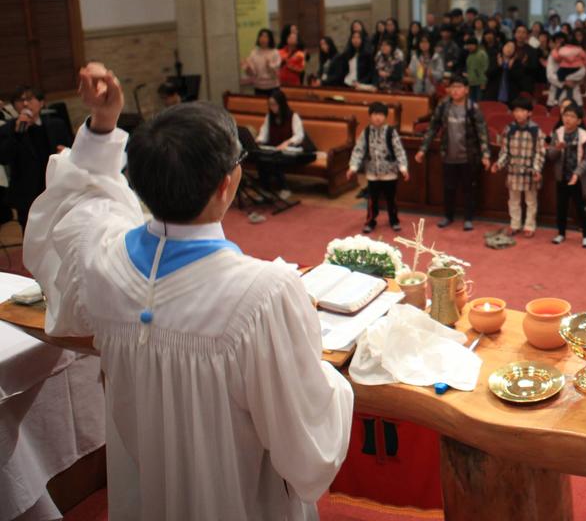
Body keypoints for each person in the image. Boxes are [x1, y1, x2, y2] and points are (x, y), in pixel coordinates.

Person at [24, 63, 352, 519]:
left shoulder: (101, 262)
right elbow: (308, 452)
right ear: (226, 184)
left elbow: (77, 200)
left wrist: (102, 126)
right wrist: (328, 374)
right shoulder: (263, 294)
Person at [415, 75, 490, 230]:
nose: (455, 91)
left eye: (459, 87)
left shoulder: (472, 108)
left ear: (466, 90)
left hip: (468, 157)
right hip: (448, 155)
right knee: (448, 188)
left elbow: (482, 132)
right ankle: (448, 216)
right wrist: (423, 149)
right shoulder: (443, 106)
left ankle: (468, 218)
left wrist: (486, 154)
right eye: (452, 87)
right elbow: (433, 128)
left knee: (469, 189)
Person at [0, 86, 73, 228]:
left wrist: (66, 152)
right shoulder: (7, 129)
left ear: (41, 103)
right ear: (14, 106)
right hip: (27, 195)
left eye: (29, 99)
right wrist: (17, 134)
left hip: (57, 189)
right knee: (32, 235)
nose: (25, 104)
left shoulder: (56, 124)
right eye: (20, 100)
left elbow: (73, 151)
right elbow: (3, 158)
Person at [347, 102, 410, 233]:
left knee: (391, 199)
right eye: (375, 114)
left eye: (381, 114)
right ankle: (370, 221)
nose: (378, 117)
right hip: (372, 173)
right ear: (370, 116)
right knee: (372, 200)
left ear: (385, 117)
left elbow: (399, 150)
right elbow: (358, 150)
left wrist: (403, 167)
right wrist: (353, 167)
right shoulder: (366, 132)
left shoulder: (391, 132)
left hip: (389, 173)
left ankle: (394, 220)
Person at [491, 96, 546, 238]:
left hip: (529, 171)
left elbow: (540, 152)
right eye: (515, 111)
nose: (518, 114)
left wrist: (536, 169)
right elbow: (505, 151)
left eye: (522, 111)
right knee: (513, 200)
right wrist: (499, 164)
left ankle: (529, 225)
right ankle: (515, 224)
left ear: (529, 113)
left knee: (530, 201)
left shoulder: (535, 130)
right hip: (513, 170)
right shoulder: (509, 129)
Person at [547, 101, 586, 248]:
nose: (567, 119)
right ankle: (561, 233)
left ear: (579, 121)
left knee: (581, 207)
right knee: (561, 207)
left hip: (578, 178)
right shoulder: (558, 133)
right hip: (562, 177)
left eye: (572, 116)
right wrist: (557, 148)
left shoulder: (584, 136)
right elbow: (550, 156)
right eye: (566, 115)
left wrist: (577, 174)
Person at [255, 88, 305, 196]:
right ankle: (264, 190)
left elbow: (299, 136)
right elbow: (264, 134)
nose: (272, 107)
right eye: (270, 105)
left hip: (290, 151)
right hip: (275, 149)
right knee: (261, 160)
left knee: (276, 160)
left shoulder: (293, 116)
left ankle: (284, 188)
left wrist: (287, 142)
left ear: (281, 104)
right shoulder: (269, 117)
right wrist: (258, 140)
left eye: (274, 104)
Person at [241, 28, 281, 94]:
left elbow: (277, 71)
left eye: (265, 36)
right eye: (261, 36)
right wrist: (247, 67)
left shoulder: (275, 52)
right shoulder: (254, 53)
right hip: (258, 87)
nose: (263, 39)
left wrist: (269, 65)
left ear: (270, 39)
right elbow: (252, 73)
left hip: (273, 87)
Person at [464, 35, 489, 102]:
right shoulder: (469, 55)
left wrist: (483, 82)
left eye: (471, 44)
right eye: (468, 45)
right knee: (472, 102)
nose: (469, 46)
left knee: (479, 102)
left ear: (476, 45)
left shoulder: (482, 54)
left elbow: (485, 68)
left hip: (479, 83)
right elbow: (469, 69)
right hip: (471, 82)